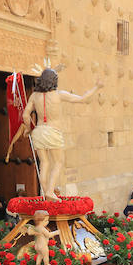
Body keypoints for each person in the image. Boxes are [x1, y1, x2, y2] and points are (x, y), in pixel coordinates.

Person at [22, 68, 102, 200]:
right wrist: (96, 87)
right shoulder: (59, 94)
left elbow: (25, 115)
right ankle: (49, 191)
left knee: (44, 163)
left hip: (39, 131)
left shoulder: (34, 96)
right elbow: (82, 99)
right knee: (58, 162)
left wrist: (28, 129)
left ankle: (45, 192)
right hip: (53, 131)